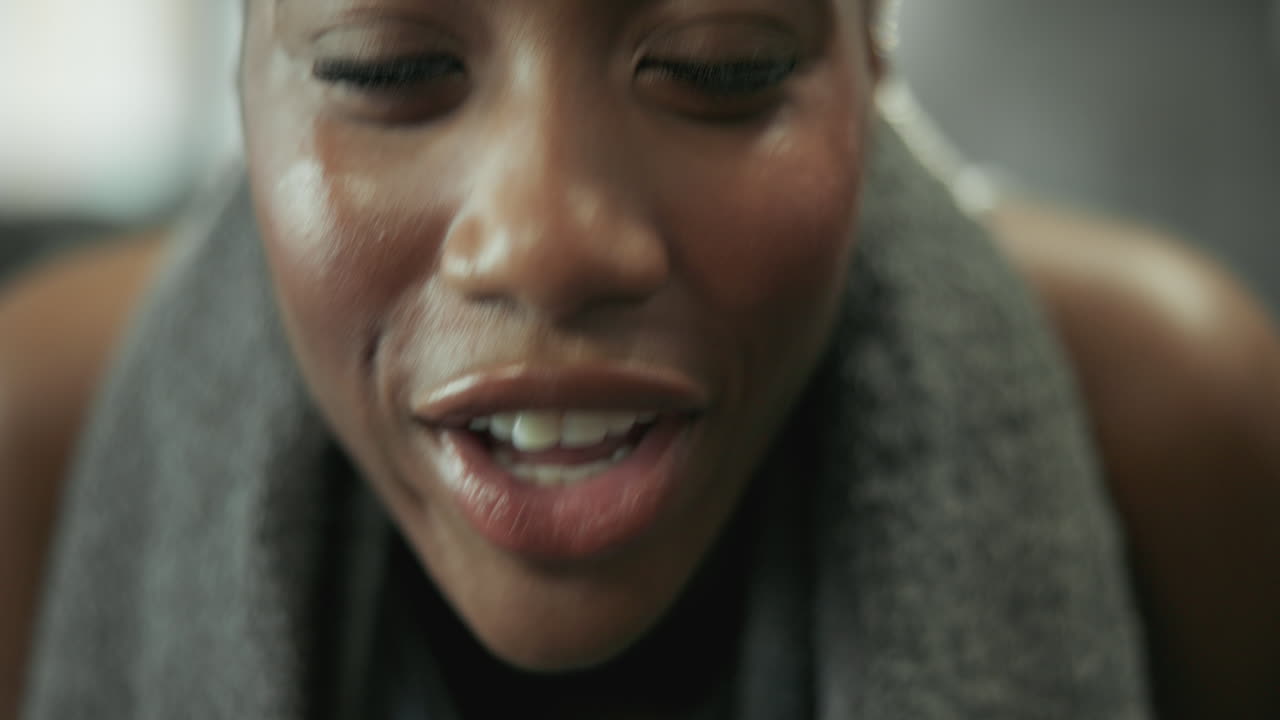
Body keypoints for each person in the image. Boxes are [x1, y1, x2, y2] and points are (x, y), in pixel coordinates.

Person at [2, 1, 1278, 718]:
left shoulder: (1175, 431)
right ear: (245, 72)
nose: (547, 239)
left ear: (869, 50)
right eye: (387, 69)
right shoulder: (36, 451)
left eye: (717, 69)